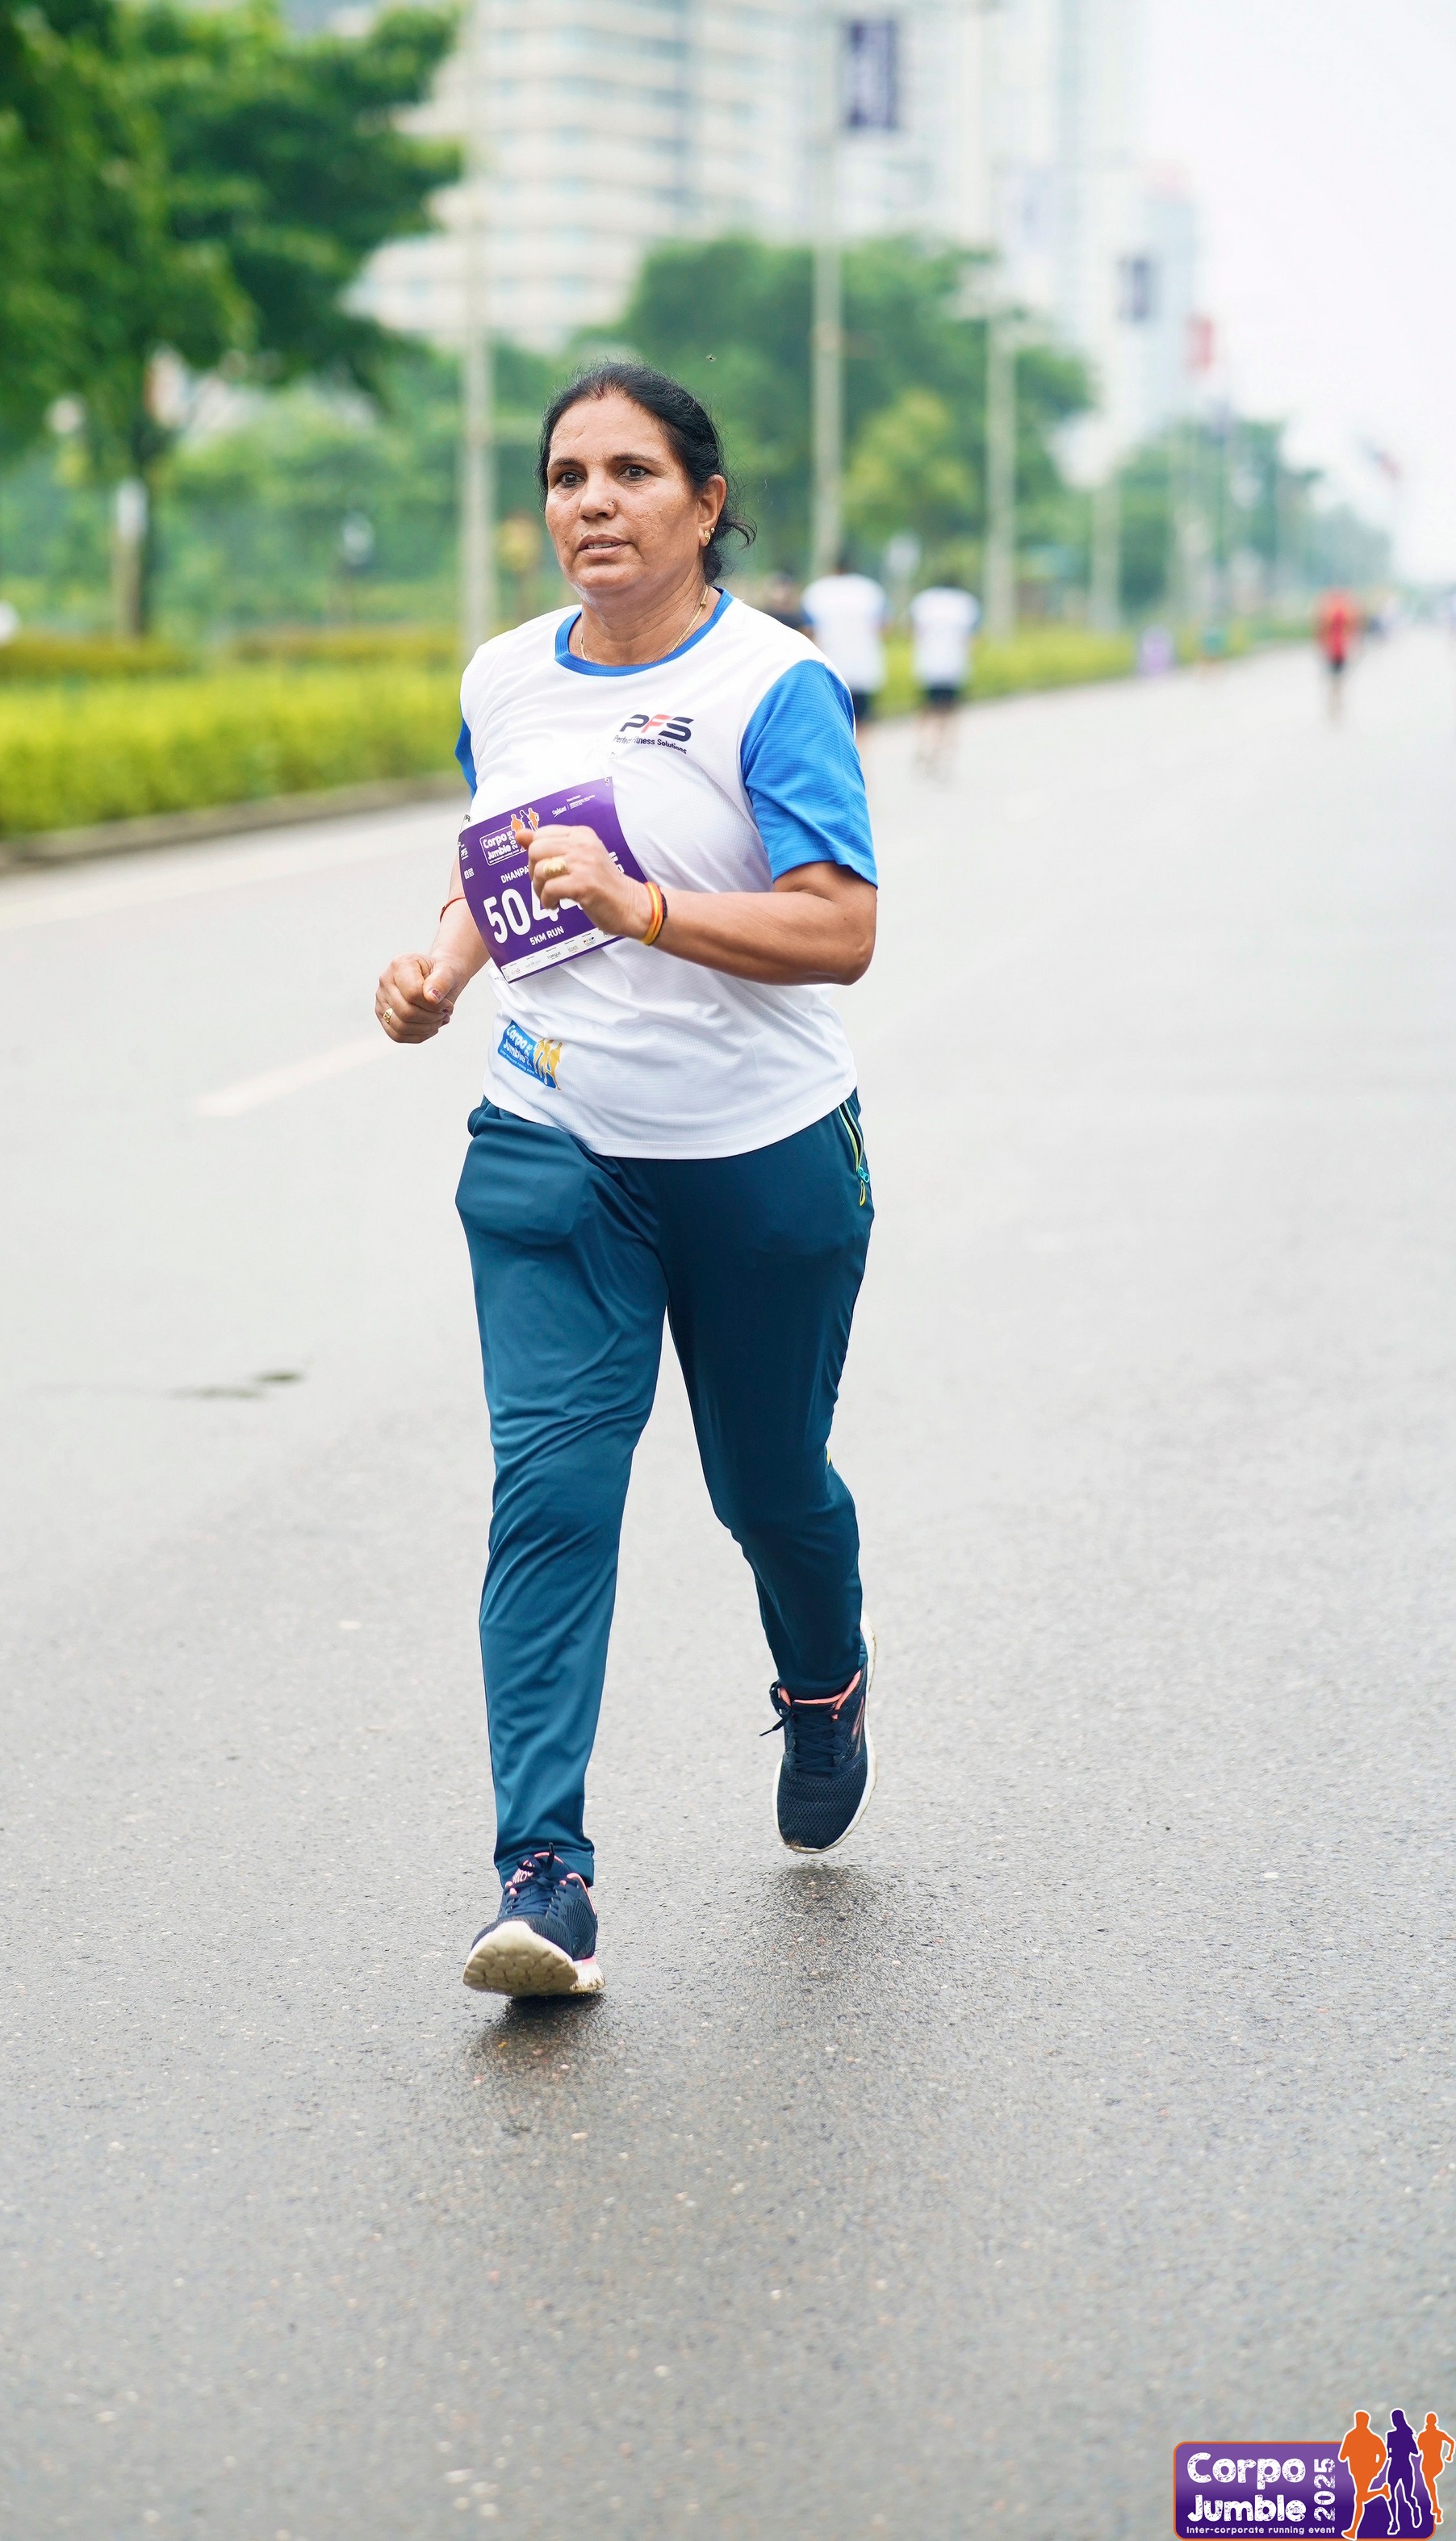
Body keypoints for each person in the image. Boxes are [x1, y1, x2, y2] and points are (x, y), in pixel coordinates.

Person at [374, 362, 881, 1999]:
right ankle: (543, 1876)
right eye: (564, 475)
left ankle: (821, 1680)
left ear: (703, 503)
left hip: (759, 1158)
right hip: (553, 1141)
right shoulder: (505, 676)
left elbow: (839, 926)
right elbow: (503, 873)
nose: (589, 501)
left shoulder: (771, 685)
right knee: (550, 1492)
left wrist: (643, 904)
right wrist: (441, 966)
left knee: (766, 1486)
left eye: (629, 472)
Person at [801, 561, 888, 722]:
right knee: (861, 717)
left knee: (833, 716)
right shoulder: (870, 590)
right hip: (863, 664)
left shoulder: (817, 591)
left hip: (829, 662)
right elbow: (883, 626)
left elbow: (808, 630)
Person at [909, 581, 980, 777]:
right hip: (953, 667)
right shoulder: (965, 604)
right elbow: (972, 638)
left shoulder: (924, 602)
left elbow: (911, 630)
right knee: (948, 714)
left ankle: (922, 746)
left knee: (926, 709)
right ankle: (941, 754)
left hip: (928, 665)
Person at [1343, 2413, 1390, 2539]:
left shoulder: (1351, 2436)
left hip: (1361, 2472)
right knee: (1361, 2497)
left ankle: (1353, 2530)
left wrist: (1377, 2469)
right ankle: (1382, 2491)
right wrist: (1377, 2468)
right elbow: (1383, 2455)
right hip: (1365, 2472)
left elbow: (1342, 2456)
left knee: (1359, 2499)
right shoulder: (1373, 2438)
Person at [1317, 588, 1358, 721]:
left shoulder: (1327, 610)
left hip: (1331, 647)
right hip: (1341, 648)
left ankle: (1333, 704)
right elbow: (1353, 628)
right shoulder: (1347, 610)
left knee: (1332, 679)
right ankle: (1338, 704)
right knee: (1339, 679)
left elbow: (1320, 629)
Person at [1418, 2414, 1452, 2526]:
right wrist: (1449, 2455)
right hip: (1438, 2463)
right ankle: (1435, 2508)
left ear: (1427, 2422)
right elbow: (1451, 2442)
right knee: (1430, 2485)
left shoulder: (1423, 2435)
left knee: (1430, 2485)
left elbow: (1418, 2451)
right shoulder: (1439, 2434)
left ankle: (1436, 2509)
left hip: (1428, 2464)